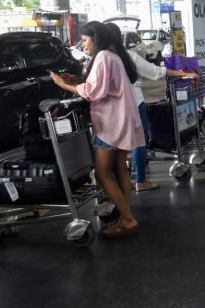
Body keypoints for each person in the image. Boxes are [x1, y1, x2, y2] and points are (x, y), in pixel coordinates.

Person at [50, 21, 144, 238]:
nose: (83, 45)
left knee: (102, 174)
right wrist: (77, 81)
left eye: (84, 40)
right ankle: (125, 217)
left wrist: (61, 84)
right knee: (120, 170)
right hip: (122, 120)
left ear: (95, 38)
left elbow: (92, 92)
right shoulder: (113, 56)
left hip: (111, 124)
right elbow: (100, 85)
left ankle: (128, 219)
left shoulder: (103, 57)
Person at [105, 22, 198, 193]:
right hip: (134, 102)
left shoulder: (101, 59)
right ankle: (140, 180)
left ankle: (117, 180)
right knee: (139, 141)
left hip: (111, 108)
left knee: (115, 144)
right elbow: (156, 72)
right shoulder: (128, 56)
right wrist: (183, 73)